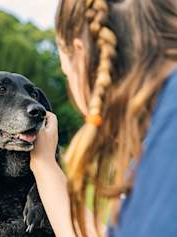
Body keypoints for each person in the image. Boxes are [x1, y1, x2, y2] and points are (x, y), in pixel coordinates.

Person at [30, 0, 177, 236]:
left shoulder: (165, 151)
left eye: (67, 74)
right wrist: (44, 164)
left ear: (81, 54)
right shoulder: (160, 133)